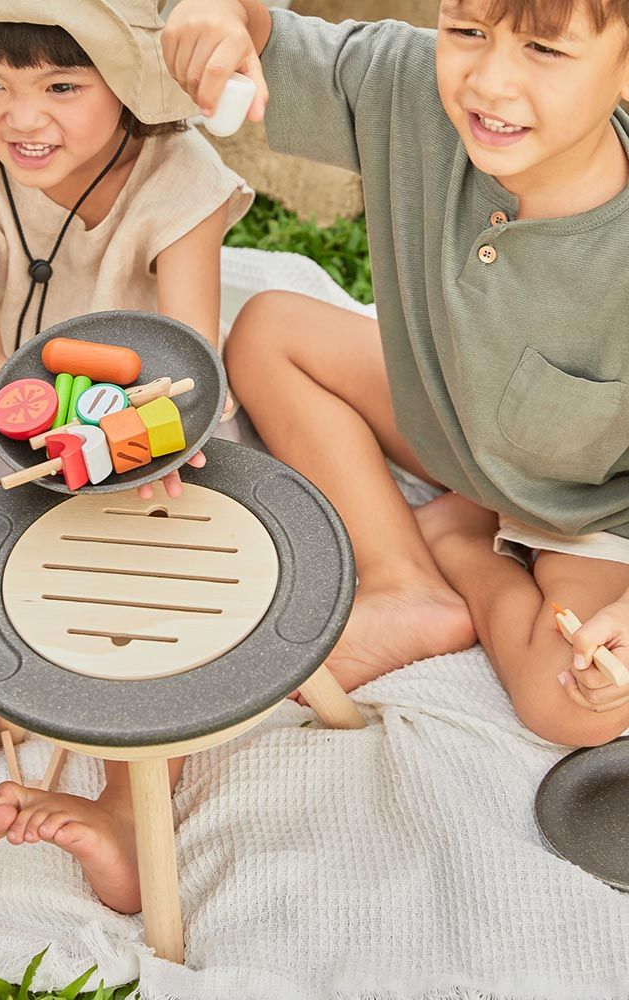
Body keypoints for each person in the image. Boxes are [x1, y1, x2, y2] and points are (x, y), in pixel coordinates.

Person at [162, 0, 629, 747]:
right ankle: (403, 580)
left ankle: (463, 551)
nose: (490, 82)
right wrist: (220, 17)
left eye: (544, 50)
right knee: (267, 330)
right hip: (450, 424)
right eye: (467, 31)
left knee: (572, 701)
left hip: (591, 510)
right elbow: (261, 31)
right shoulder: (407, 85)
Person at [0, 0, 252, 908]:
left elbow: (188, 350)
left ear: (126, 81)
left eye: (62, 85)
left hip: (154, 417)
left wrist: (150, 446)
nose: (22, 117)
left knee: (157, 604)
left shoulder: (183, 179)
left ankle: (124, 808)